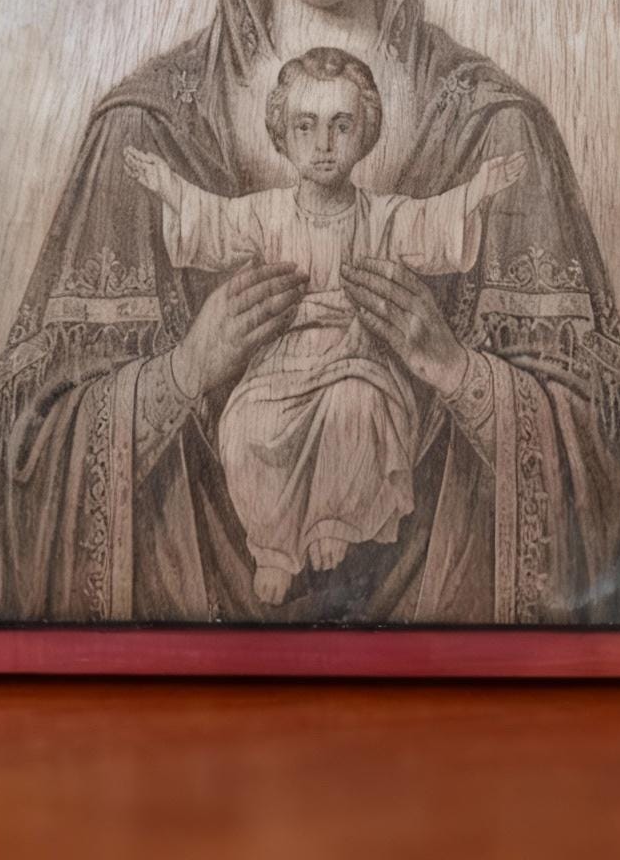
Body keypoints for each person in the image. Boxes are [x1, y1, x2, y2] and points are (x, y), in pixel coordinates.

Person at [0, 0, 620, 625]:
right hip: (179, 661)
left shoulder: (498, 134)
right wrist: (186, 370)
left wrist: (455, 370)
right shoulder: (144, 134)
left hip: (452, 653)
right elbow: (26, 459)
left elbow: (603, 466)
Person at [125, 46, 527, 605]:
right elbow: (215, 223)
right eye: (305, 126)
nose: (323, 144)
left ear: (365, 135)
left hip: (357, 357)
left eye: (341, 126)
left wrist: (478, 190)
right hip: (280, 364)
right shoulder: (267, 212)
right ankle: (272, 546)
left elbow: (430, 224)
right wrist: (169, 186)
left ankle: (335, 521)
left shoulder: (381, 215)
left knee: (355, 409)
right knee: (247, 429)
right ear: (282, 135)